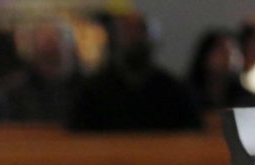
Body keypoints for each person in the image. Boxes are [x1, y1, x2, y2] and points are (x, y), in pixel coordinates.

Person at [68, 11, 201, 131]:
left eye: (139, 30)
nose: (133, 37)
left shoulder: (173, 88)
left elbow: (192, 131)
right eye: (126, 31)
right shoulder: (93, 90)